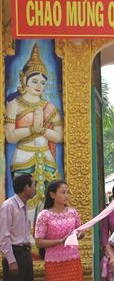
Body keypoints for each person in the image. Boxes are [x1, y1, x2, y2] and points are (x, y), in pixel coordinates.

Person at [4, 43, 63, 223]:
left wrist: (43, 130)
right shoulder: (15, 105)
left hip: (46, 158)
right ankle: (25, 238)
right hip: (24, 158)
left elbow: (59, 136)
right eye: (34, 81)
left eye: (43, 82)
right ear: (24, 80)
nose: (39, 85)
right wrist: (32, 130)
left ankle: (44, 237)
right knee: (25, 202)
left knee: (47, 199)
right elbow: (10, 136)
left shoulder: (49, 107)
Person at [34, 180, 88, 281]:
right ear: (52, 195)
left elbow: (81, 231)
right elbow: (39, 242)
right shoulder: (44, 215)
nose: (67, 195)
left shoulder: (72, 212)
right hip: (55, 266)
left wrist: (79, 235)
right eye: (63, 192)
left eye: (67, 192)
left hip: (72, 262)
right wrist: (60, 240)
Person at [0, 174, 36, 281]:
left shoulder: (23, 207)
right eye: (33, 185)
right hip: (15, 254)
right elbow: (4, 236)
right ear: (26, 188)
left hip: (25, 253)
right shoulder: (9, 206)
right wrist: (11, 259)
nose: (35, 188)